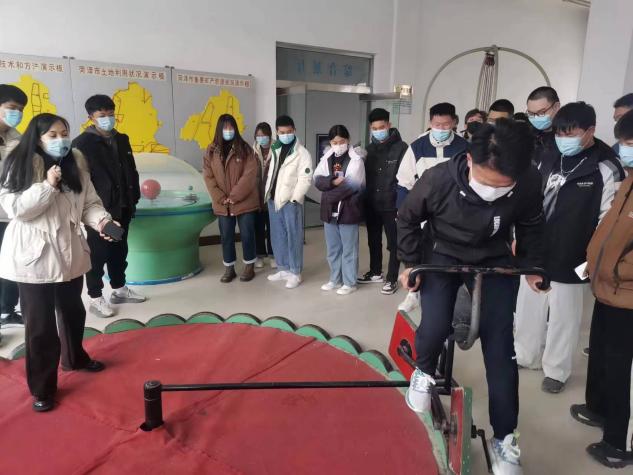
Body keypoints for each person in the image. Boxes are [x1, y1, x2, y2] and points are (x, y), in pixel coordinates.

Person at [398, 119, 545, 475]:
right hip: (443, 254)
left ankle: (505, 438)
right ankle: (424, 371)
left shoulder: (528, 181)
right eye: (485, 182)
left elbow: (532, 225)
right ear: (468, 161)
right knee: (435, 325)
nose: (490, 192)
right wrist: (411, 264)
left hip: (494, 257)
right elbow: (407, 218)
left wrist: (534, 266)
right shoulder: (438, 179)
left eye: (502, 186)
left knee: (500, 349)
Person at [0, 113, 118, 412]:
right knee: (40, 326)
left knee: (73, 312)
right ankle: (43, 387)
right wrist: (48, 186)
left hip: (70, 252)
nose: (60, 140)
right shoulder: (19, 163)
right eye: (52, 135)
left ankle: (74, 358)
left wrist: (102, 222)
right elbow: (16, 209)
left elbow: (89, 203)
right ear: (37, 138)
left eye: (64, 133)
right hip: (33, 257)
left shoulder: (75, 163)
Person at [514, 102, 625, 394]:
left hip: (575, 253)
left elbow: (608, 220)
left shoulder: (606, 165)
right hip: (536, 248)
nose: (564, 139)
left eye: (571, 133)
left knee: (564, 315)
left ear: (590, 131)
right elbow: (528, 196)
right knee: (528, 306)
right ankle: (525, 354)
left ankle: (557, 370)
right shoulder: (547, 154)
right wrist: (519, 236)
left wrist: (591, 260)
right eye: (560, 133)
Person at [569, 110, 633, 469]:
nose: (624, 150)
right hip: (609, 287)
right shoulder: (630, 180)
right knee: (604, 357)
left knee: (625, 370)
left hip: (628, 294)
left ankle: (619, 444)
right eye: (623, 142)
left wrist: (618, 269)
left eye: (630, 143)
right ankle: (600, 409)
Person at [72, 95, 144, 318]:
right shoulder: (81, 144)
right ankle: (95, 297)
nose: (108, 119)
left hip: (123, 205)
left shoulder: (122, 139)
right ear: (91, 117)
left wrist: (134, 196)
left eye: (111, 114)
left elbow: (131, 169)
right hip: (101, 211)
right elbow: (81, 181)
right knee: (98, 254)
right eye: (102, 115)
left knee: (119, 250)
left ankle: (119, 289)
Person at [396, 102, 468, 311]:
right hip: (421, 211)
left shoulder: (464, 147)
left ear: (454, 122)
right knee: (416, 251)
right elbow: (404, 182)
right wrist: (403, 211)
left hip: (453, 214)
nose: (441, 129)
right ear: (430, 122)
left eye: (446, 125)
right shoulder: (417, 147)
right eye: (437, 125)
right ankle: (413, 292)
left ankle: (451, 295)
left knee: (445, 256)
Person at [203, 114, 259, 283]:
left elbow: (250, 175)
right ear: (219, 129)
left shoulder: (245, 149)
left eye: (231, 127)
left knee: (247, 234)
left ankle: (249, 266)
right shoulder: (211, 151)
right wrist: (221, 197)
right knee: (226, 236)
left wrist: (234, 196)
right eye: (225, 128)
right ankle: (229, 268)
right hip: (223, 204)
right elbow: (208, 177)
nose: (229, 130)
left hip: (244, 201)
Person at [358, 108, 408, 295]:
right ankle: (375, 272)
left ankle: (392, 278)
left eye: (382, 127)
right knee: (373, 239)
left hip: (391, 203)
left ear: (389, 125)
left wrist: (401, 203)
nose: (378, 131)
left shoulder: (401, 148)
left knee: (394, 242)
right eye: (375, 128)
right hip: (372, 202)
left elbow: (405, 178)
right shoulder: (369, 149)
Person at [314, 125, 365, 296]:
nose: (338, 145)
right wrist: (332, 181)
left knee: (349, 249)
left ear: (348, 140)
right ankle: (335, 279)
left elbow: (351, 185)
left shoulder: (356, 159)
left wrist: (327, 195)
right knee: (333, 249)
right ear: (330, 142)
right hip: (330, 212)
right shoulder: (327, 158)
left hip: (348, 210)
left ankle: (350, 282)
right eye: (335, 142)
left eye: (341, 141)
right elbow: (317, 179)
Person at [264, 115, 312, 289]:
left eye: (289, 131)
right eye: (282, 132)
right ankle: (283, 268)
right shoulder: (275, 149)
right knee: (278, 236)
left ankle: (295, 272)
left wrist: (294, 199)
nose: (286, 135)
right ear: (277, 132)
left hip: (290, 202)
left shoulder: (302, 153)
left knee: (294, 237)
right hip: (273, 200)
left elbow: (305, 178)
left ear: (294, 130)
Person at [0, 84, 27, 332]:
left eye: (20, 109)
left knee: (11, 263)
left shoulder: (17, 139)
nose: (16, 114)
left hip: (11, 213)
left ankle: (7, 310)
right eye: (11, 108)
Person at [253, 122, 276, 269]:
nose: (261, 138)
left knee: (273, 228)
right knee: (258, 227)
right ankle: (260, 255)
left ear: (269, 135)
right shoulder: (253, 151)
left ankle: (273, 255)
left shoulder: (277, 148)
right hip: (256, 195)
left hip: (272, 195)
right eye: (258, 135)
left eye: (264, 135)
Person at [526, 86, 560, 167]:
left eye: (541, 113)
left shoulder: (567, 138)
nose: (536, 118)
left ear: (556, 107)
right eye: (531, 113)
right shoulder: (527, 135)